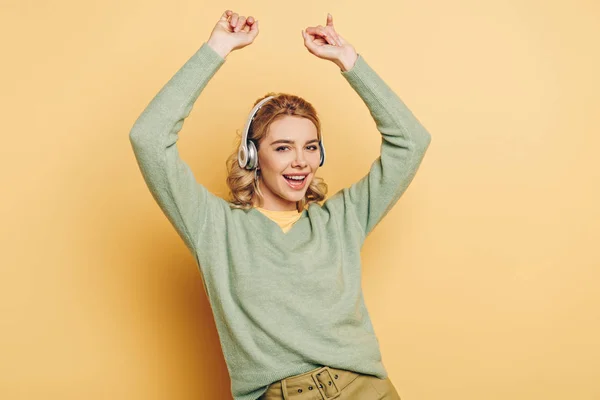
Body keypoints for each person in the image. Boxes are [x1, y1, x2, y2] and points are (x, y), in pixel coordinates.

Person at [129, 9, 431, 400]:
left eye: (310, 147)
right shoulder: (214, 225)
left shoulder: (342, 218)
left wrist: (348, 61)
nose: (300, 161)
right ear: (253, 157)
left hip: (367, 391)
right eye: (282, 147)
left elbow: (411, 141)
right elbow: (149, 138)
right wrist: (218, 47)